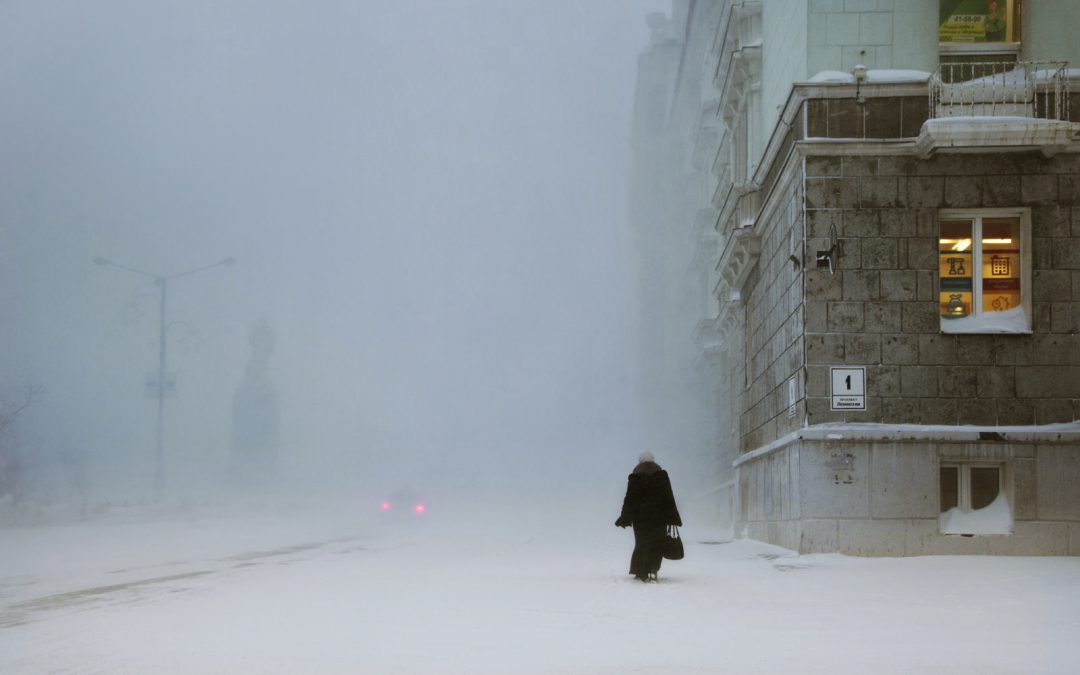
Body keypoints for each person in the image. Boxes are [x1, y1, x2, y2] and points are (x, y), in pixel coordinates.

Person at [615, 451, 682, 582]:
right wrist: (674, 517)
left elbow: (629, 499)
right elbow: (669, 498)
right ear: (653, 461)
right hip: (659, 517)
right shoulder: (661, 475)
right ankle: (652, 569)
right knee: (657, 543)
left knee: (641, 543)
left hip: (640, 518)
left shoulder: (635, 476)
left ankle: (640, 571)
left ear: (640, 461)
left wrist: (625, 517)